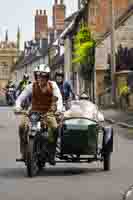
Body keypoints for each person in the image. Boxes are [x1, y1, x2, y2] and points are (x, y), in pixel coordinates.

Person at [14, 64, 63, 165]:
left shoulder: (53, 85)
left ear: (47, 77)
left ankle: (51, 153)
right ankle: (24, 153)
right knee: (22, 126)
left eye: (44, 76)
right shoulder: (31, 86)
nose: (41, 78)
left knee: (54, 128)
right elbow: (20, 98)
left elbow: (59, 98)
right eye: (39, 76)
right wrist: (17, 106)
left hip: (48, 113)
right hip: (33, 112)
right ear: (36, 76)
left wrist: (59, 109)